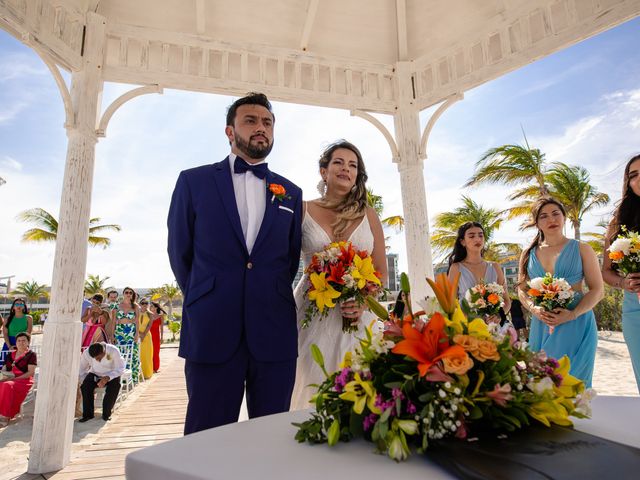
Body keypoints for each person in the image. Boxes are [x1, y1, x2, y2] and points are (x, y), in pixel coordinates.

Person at [168, 92, 302, 434]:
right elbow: (180, 252)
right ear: (230, 131)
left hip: (273, 331)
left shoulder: (290, 192)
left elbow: (289, 261)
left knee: (272, 437)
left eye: (268, 122)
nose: (261, 128)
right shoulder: (193, 181)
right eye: (251, 120)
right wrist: (210, 293)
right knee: (206, 437)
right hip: (212, 328)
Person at [289, 140, 387, 411]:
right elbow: (281, 260)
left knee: (362, 385)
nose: (346, 169)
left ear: (358, 175)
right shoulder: (303, 209)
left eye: (353, 165)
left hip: (360, 316)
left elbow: (381, 272)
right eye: (339, 163)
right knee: (309, 384)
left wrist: (362, 300)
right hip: (311, 312)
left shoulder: (369, 214)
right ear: (324, 171)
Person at [517, 197, 603, 387]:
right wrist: (533, 309)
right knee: (541, 383)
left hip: (577, 320)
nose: (551, 220)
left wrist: (572, 314)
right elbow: (521, 290)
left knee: (574, 383)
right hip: (542, 322)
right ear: (537, 223)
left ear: (564, 217)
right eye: (544, 216)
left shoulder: (582, 248)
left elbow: (597, 290)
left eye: (556, 214)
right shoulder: (528, 253)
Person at [602, 154, 640, 393]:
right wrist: (624, 282)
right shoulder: (619, 222)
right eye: (633, 175)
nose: (638, 179)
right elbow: (606, 272)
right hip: (634, 309)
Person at [446, 222, 511, 323]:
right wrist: (471, 320)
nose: (477, 239)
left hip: (494, 328)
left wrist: (499, 315)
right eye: (471, 236)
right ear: (463, 242)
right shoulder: (456, 268)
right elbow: (450, 304)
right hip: (468, 328)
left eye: (481, 235)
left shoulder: (495, 267)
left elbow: (507, 301)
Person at [78, 342, 125, 422]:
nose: (97, 360)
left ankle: (106, 414)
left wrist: (107, 378)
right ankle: (88, 415)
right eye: (95, 359)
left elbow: (120, 369)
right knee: (85, 386)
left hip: (111, 374)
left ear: (104, 351)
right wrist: (84, 380)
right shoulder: (87, 353)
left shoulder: (113, 350)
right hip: (95, 373)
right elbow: (81, 369)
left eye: (99, 358)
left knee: (115, 386)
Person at [0, 332, 37, 423]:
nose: (21, 343)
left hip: (24, 380)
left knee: (7, 385)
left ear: (28, 342)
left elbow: (30, 372)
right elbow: (5, 368)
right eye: (19, 341)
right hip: (10, 378)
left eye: (24, 340)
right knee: (3, 383)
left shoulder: (31, 355)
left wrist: (14, 379)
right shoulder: (10, 355)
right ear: (16, 343)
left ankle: (5, 416)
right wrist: (3, 375)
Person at [111, 287, 140, 383]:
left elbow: (137, 321)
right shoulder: (116, 306)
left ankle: (131, 377)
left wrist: (136, 334)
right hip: (119, 332)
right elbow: (113, 321)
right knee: (120, 354)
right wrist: (112, 335)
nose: (128, 294)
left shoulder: (135, 306)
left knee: (131, 354)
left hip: (131, 333)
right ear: (123, 294)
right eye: (126, 292)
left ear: (132, 295)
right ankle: (119, 378)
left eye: (130, 293)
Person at [1, 299, 33, 367]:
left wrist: (21, 345)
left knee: (21, 366)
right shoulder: (7, 318)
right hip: (9, 343)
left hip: (22, 343)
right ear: (13, 307)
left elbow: (28, 333)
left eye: (21, 304)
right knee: (4, 365)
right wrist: (9, 346)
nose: (19, 306)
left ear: (24, 307)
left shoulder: (29, 318)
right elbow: (5, 333)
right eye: (17, 304)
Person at [137, 299, 154, 380]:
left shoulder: (150, 314)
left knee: (146, 355)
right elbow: (134, 323)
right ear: (140, 304)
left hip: (146, 336)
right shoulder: (136, 312)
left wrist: (143, 334)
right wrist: (139, 333)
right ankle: (139, 374)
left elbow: (149, 325)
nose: (144, 305)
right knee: (139, 355)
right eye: (143, 303)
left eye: (146, 303)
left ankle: (147, 373)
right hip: (137, 334)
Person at [149, 302, 166, 373]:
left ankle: (155, 368)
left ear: (156, 307)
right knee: (149, 352)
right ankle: (150, 368)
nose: (150, 307)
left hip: (156, 336)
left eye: (152, 306)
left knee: (156, 352)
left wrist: (162, 337)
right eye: (150, 306)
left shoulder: (160, 316)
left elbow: (161, 328)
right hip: (148, 336)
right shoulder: (148, 315)